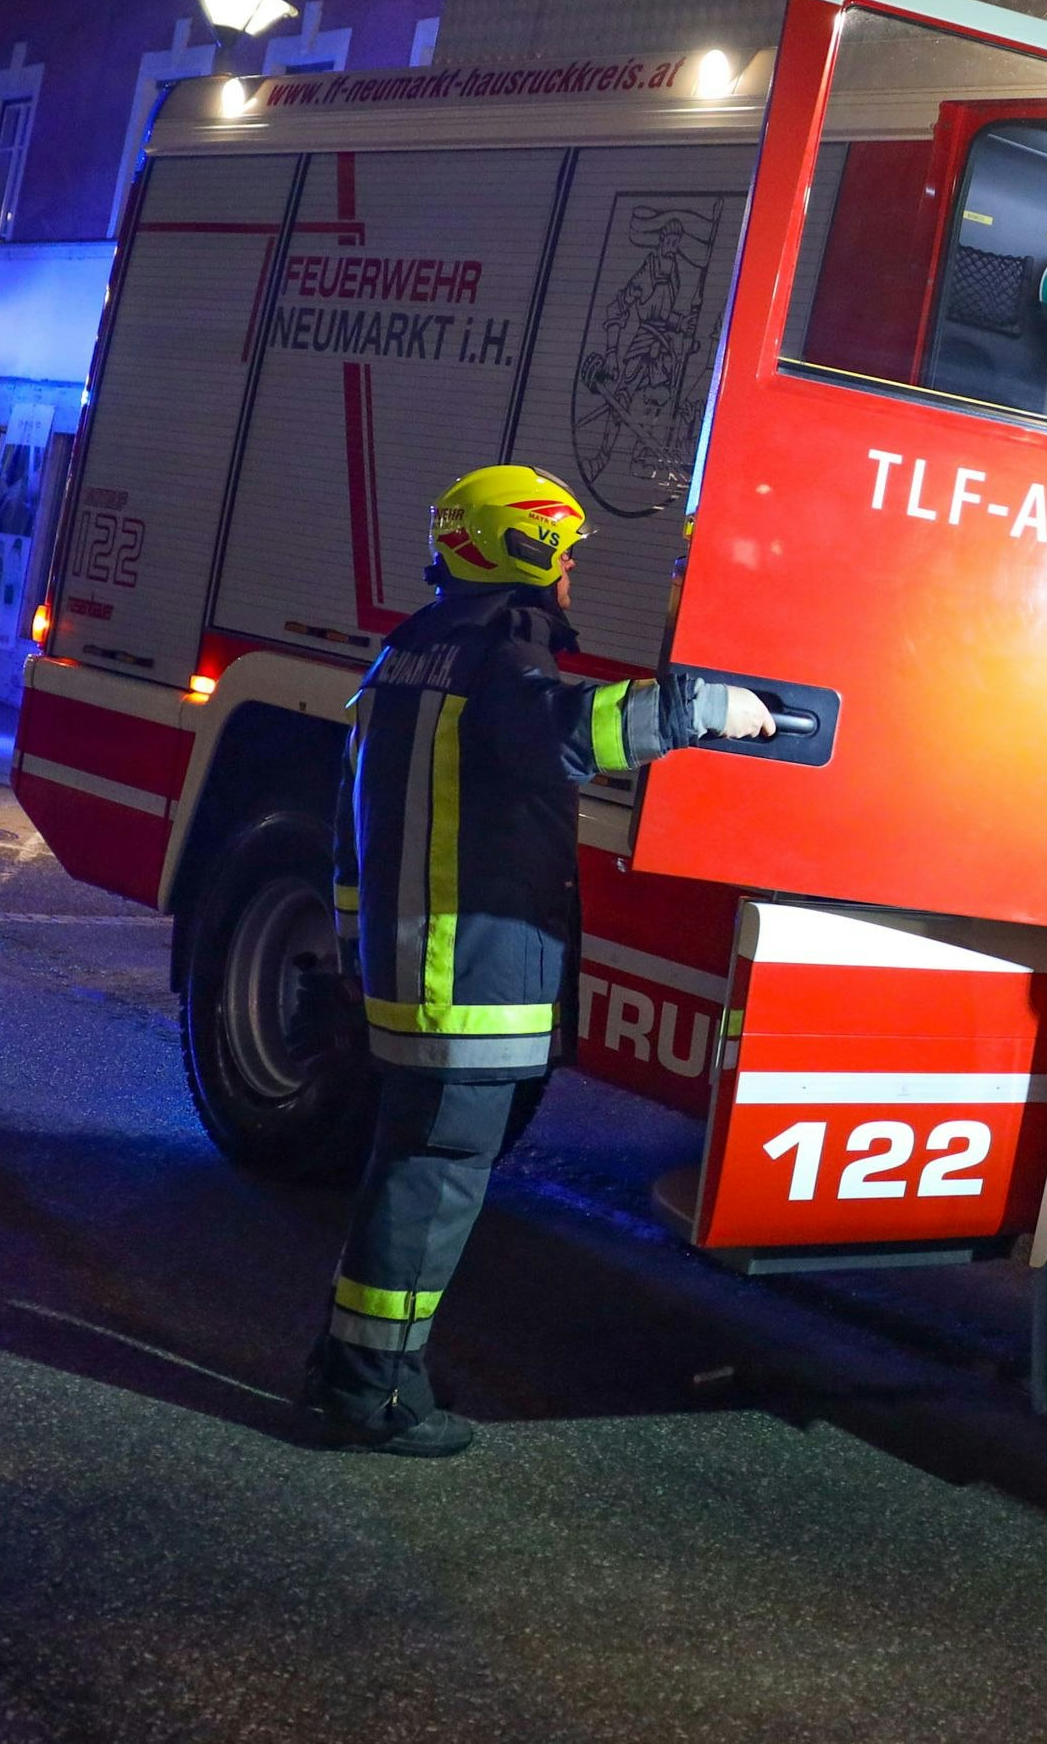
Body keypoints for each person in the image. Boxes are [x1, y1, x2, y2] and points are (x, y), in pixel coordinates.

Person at [302, 463, 773, 1456]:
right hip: (464, 980)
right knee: (433, 1178)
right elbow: (567, 734)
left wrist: (354, 954)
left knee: (411, 1168)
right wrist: (702, 710)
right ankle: (367, 1391)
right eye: (563, 559)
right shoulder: (500, 663)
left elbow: (347, 831)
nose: (571, 581)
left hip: (413, 973)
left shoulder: (407, 653)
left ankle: (355, 1365)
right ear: (527, 556)